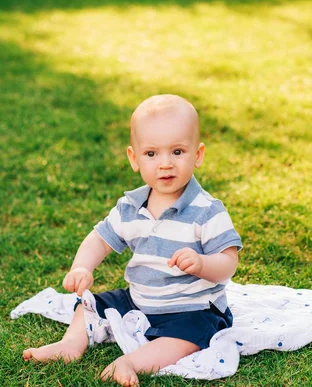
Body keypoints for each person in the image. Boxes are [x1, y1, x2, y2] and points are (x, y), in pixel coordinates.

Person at [23, 94, 242, 386]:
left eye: (177, 152)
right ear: (134, 158)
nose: (165, 164)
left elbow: (228, 263)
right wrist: (82, 268)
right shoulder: (130, 207)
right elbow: (99, 240)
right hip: (139, 299)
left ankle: (130, 362)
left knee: (190, 335)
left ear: (197, 155)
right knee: (89, 305)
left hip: (192, 307)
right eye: (151, 154)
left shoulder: (207, 210)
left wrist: (202, 263)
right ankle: (71, 344)